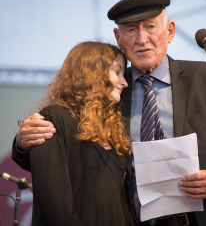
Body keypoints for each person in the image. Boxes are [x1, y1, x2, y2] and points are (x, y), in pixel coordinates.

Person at [12, 0, 206, 226]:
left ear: (170, 31)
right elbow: (72, 155)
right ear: (118, 38)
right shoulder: (108, 91)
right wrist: (23, 145)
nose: (142, 39)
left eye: (151, 27)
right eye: (131, 30)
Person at [18, 41, 137, 226]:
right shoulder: (54, 119)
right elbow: (55, 207)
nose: (124, 82)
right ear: (93, 72)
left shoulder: (114, 129)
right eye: (117, 72)